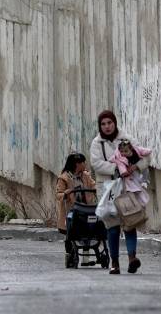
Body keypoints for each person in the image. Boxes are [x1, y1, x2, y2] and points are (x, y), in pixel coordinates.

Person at [89, 109, 150, 275]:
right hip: (107, 189)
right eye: (103, 124)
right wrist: (116, 168)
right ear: (100, 126)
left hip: (127, 187)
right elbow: (96, 163)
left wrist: (134, 167)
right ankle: (114, 262)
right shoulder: (97, 143)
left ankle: (132, 258)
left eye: (110, 123)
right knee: (113, 226)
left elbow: (144, 157)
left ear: (114, 123)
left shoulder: (126, 139)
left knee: (130, 222)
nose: (107, 126)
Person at [55, 152, 97, 234]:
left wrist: (98, 190)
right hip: (72, 209)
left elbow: (93, 185)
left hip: (86, 207)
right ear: (77, 164)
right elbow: (58, 194)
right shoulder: (64, 178)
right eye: (83, 162)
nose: (85, 164)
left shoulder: (86, 175)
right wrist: (66, 193)